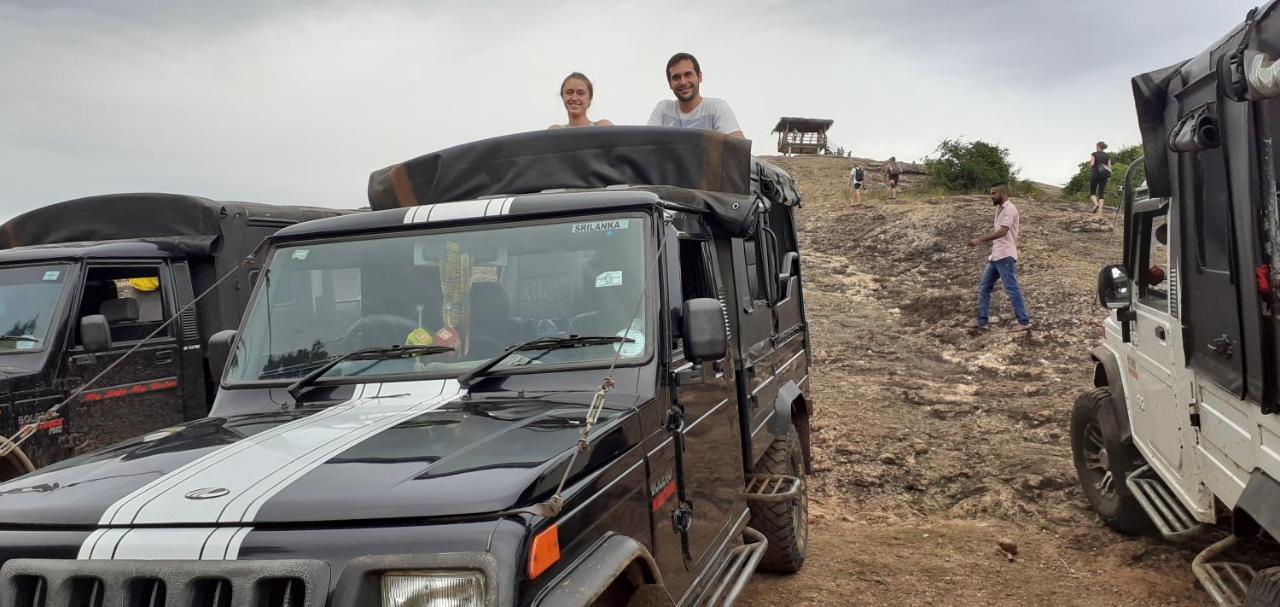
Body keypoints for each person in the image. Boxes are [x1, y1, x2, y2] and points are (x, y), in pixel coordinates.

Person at [968, 183, 1031, 332]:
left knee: (1011, 288)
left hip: (1005, 255)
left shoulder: (1010, 209)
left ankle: (1024, 321)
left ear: (1002, 193)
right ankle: (982, 321)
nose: (991, 196)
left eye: (993, 193)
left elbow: (1003, 231)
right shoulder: (1000, 209)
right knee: (984, 287)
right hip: (996, 256)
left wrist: (979, 240)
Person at [647, 52, 744, 138]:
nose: (683, 82)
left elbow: (738, 147)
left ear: (700, 77)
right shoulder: (663, 109)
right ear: (670, 84)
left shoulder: (716, 107)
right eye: (676, 77)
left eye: (688, 74)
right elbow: (645, 143)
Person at [1089, 141, 1112, 214]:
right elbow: (1109, 167)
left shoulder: (1094, 154)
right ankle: (1100, 212)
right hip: (1104, 175)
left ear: (1098, 146)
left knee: (1092, 192)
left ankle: (1096, 204)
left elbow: (1092, 164)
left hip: (1095, 174)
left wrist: (1090, 166)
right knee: (1101, 193)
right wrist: (1109, 177)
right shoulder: (1108, 156)